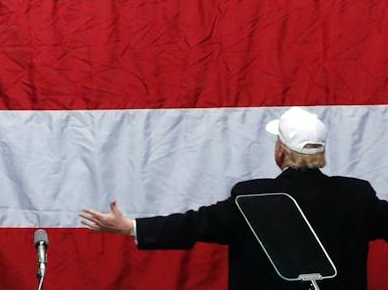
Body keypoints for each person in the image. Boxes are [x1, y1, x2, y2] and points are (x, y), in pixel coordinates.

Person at [80, 107, 388, 290]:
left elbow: (195, 225)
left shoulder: (253, 197)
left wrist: (132, 226)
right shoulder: (357, 195)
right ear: (320, 153)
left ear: (280, 150)